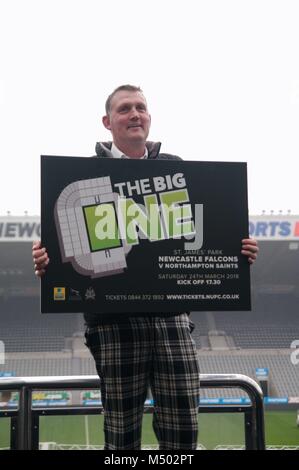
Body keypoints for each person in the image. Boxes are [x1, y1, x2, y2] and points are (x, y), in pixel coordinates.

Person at [32, 84, 259, 450]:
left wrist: (240, 249)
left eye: (141, 107)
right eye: (125, 109)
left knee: (183, 433)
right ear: (107, 121)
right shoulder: (81, 176)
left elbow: (210, 228)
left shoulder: (176, 167)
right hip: (113, 324)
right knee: (121, 439)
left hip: (171, 320)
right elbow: (57, 247)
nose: (135, 114)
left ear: (149, 118)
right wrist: (45, 258)